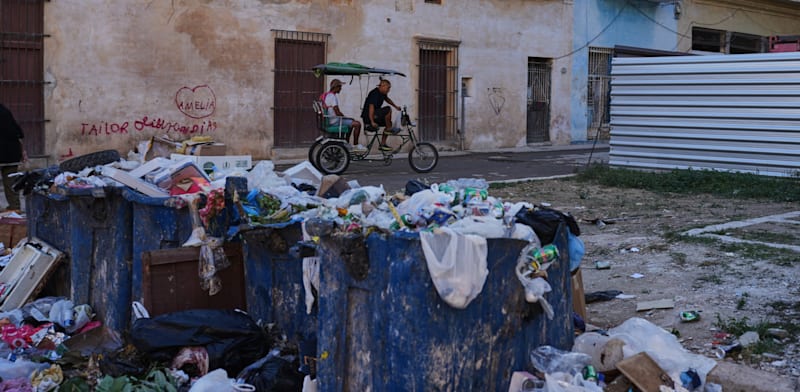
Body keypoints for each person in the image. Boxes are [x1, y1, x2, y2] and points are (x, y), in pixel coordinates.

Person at [321, 79, 365, 152]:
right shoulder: (333, 97)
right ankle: (356, 145)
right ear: (336, 87)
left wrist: (347, 118)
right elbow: (337, 112)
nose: (341, 89)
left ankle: (346, 143)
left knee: (351, 121)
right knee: (357, 124)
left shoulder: (327, 95)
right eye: (340, 87)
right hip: (335, 121)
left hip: (331, 120)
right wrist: (345, 117)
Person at [361, 79, 401, 151]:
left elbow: (387, 99)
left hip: (375, 115)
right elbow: (371, 107)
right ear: (382, 86)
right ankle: (388, 129)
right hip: (368, 117)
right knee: (388, 109)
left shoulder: (382, 93)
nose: (388, 90)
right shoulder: (374, 93)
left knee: (389, 123)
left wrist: (396, 106)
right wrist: (372, 121)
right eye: (388, 88)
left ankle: (382, 144)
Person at [0, 103, 25, 211]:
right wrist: (22, 151)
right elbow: (19, 133)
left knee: (11, 183)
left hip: (7, 153)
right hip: (11, 155)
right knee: (11, 184)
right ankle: (15, 209)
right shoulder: (5, 111)